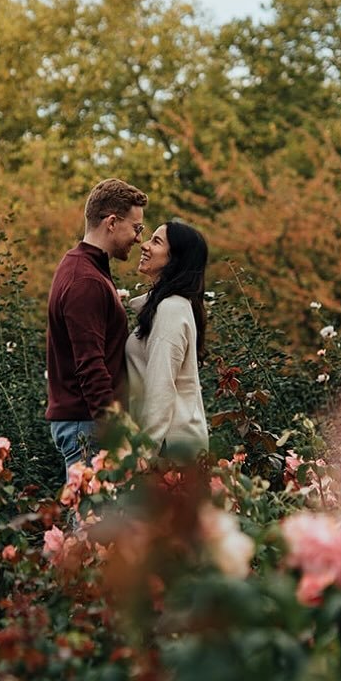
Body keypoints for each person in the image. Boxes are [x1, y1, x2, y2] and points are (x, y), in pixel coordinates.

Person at [46, 178, 148, 474]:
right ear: (112, 222)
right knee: (93, 520)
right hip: (88, 424)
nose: (139, 239)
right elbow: (90, 366)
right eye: (137, 228)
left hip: (88, 421)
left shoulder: (83, 268)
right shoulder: (86, 281)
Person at [125, 220, 209, 457]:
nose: (145, 245)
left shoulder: (171, 310)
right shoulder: (168, 307)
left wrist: (141, 458)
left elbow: (160, 391)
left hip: (169, 450)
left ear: (175, 259)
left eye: (157, 241)